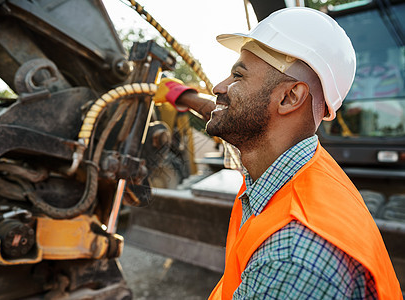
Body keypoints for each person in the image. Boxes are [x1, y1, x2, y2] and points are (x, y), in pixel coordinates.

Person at [153, 7, 402, 300]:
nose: (219, 87)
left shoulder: (292, 259)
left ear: (289, 97)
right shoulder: (304, 167)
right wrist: (182, 96)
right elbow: (240, 111)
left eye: (237, 76)